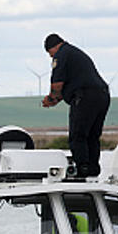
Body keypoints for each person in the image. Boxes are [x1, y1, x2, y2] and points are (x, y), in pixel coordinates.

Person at [41, 33, 110, 179]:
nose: (50, 57)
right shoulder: (74, 52)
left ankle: (82, 169)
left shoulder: (61, 55)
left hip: (85, 97)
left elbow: (57, 84)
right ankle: (93, 169)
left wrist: (51, 99)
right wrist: (56, 99)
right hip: (102, 95)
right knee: (92, 136)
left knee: (77, 136)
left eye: (49, 53)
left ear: (52, 48)